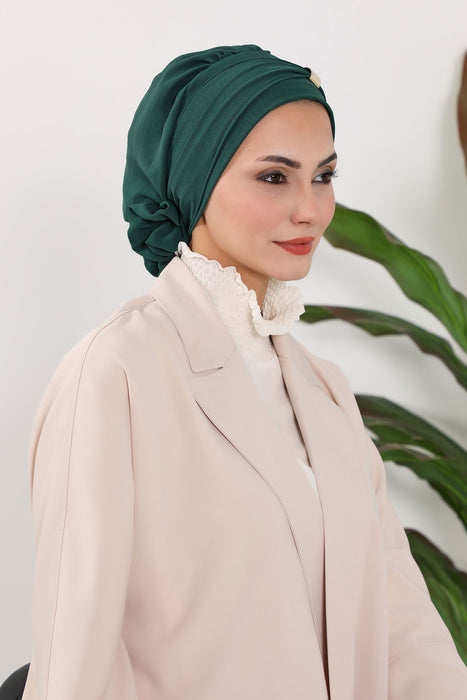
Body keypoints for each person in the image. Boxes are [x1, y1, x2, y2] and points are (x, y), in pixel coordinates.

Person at [22, 45, 466, 700]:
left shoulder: (324, 388)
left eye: (323, 176)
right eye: (274, 177)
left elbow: (402, 622)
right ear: (195, 181)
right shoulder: (115, 373)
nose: (311, 209)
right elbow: (75, 657)